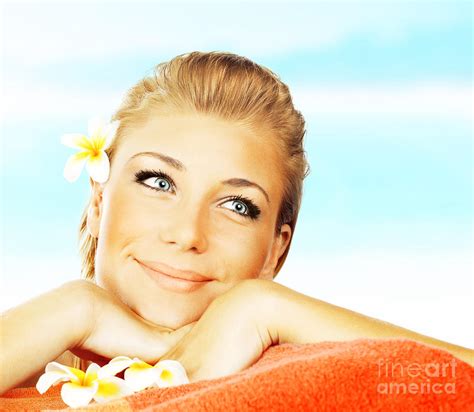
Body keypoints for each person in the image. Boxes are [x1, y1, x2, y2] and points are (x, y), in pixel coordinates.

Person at [1, 51, 472, 395]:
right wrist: (75, 308)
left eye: (237, 206)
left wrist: (267, 309)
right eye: (158, 181)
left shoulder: (297, 377)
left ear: (276, 251)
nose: (187, 234)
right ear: (99, 203)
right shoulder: (30, 361)